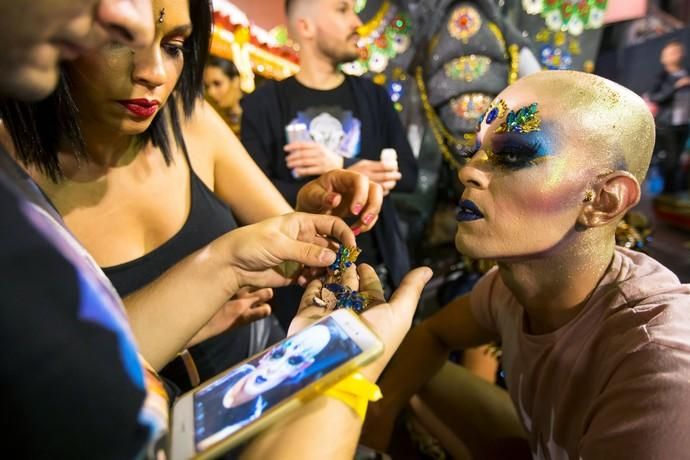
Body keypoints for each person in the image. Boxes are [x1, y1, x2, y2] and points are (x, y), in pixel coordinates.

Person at [0, 0, 429, 458]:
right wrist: (346, 377)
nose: (154, 73)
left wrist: (309, 208)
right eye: (117, 42)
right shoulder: (13, 189)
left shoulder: (189, 122)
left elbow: (287, 243)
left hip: (280, 405)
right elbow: (74, 384)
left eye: (174, 45)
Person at [362, 70, 690, 459]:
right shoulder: (508, 286)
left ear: (604, 201)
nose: (468, 172)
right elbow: (434, 334)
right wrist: (378, 419)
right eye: (474, 153)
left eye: (513, 155)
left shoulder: (661, 366)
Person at [241, 0, 418, 328]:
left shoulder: (374, 97)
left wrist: (343, 163)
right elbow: (247, 193)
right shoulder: (262, 105)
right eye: (342, 10)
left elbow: (408, 174)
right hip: (302, 287)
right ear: (306, 27)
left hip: (377, 271)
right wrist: (334, 184)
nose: (357, 21)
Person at [648, 40, 690, 193]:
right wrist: (676, 86)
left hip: (684, 123)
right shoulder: (662, 78)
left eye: (677, 51)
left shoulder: (686, 73)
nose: (675, 55)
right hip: (667, 125)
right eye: (670, 53)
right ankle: (667, 193)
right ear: (663, 58)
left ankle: (674, 192)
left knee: (679, 160)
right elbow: (655, 97)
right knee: (670, 161)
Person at [204, 55, 244, 135]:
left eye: (217, 83)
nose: (211, 92)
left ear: (235, 81)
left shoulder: (254, 119)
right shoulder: (211, 119)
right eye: (207, 86)